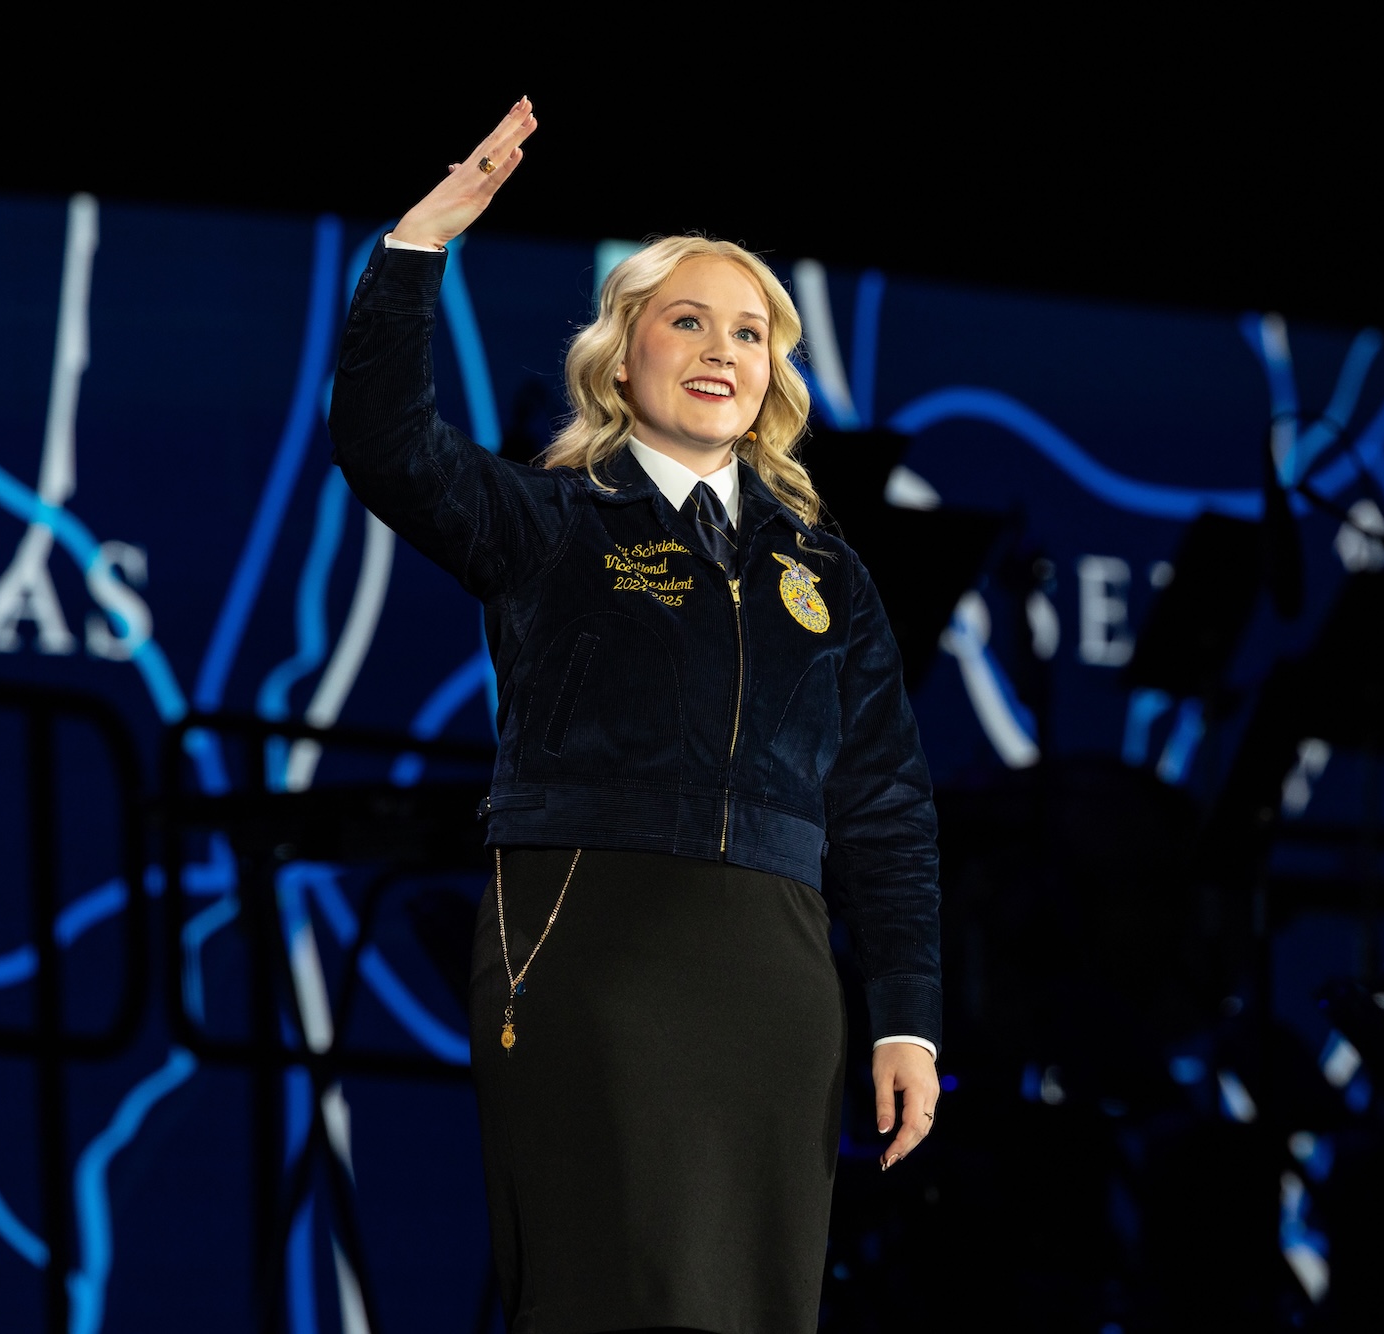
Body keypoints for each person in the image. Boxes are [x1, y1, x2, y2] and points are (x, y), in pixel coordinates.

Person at [329, 98, 942, 1334]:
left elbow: (882, 800)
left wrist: (910, 1019)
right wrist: (418, 247)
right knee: (613, 1296)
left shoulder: (820, 568)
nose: (723, 348)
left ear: (774, 372)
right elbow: (383, 445)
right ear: (620, 356)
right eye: (687, 320)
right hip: (591, 946)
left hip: (774, 970)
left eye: (751, 330)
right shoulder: (547, 520)